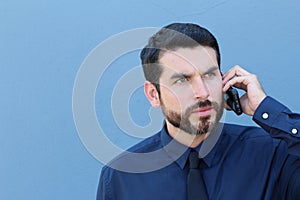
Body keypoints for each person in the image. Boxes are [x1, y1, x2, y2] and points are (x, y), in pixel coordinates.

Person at [97, 23, 300, 200]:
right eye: (181, 80)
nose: (202, 93)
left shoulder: (273, 153)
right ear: (153, 94)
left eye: (209, 75)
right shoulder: (120, 178)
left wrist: (265, 109)